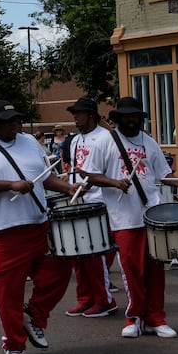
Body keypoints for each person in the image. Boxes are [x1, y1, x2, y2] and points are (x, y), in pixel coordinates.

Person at [0, 101, 75, 354]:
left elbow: (44, 176)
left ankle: (33, 316)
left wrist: (66, 187)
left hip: (38, 224)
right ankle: (13, 344)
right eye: (10, 120)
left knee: (60, 269)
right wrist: (9, 185)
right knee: (8, 292)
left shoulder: (30, 143)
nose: (16, 124)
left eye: (18, 119)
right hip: (1, 232)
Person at [80, 96, 178, 339]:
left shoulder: (149, 143)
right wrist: (114, 182)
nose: (131, 120)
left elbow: (163, 175)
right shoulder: (105, 142)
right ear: (118, 118)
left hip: (152, 214)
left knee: (155, 270)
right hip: (123, 218)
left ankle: (156, 318)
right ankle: (134, 317)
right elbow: (89, 174)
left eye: (135, 116)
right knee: (131, 271)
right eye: (127, 116)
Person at [61, 97, 115, 318]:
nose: (75, 118)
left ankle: (105, 300)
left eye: (79, 114)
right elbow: (76, 168)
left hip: (98, 200)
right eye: (74, 114)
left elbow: (108, 169)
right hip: (79, 199)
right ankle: (85, 298)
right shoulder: (74, 140)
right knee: (78, 255)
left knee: (94, 255)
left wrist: (89, 184)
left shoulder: (106, 137)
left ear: (91, 114)